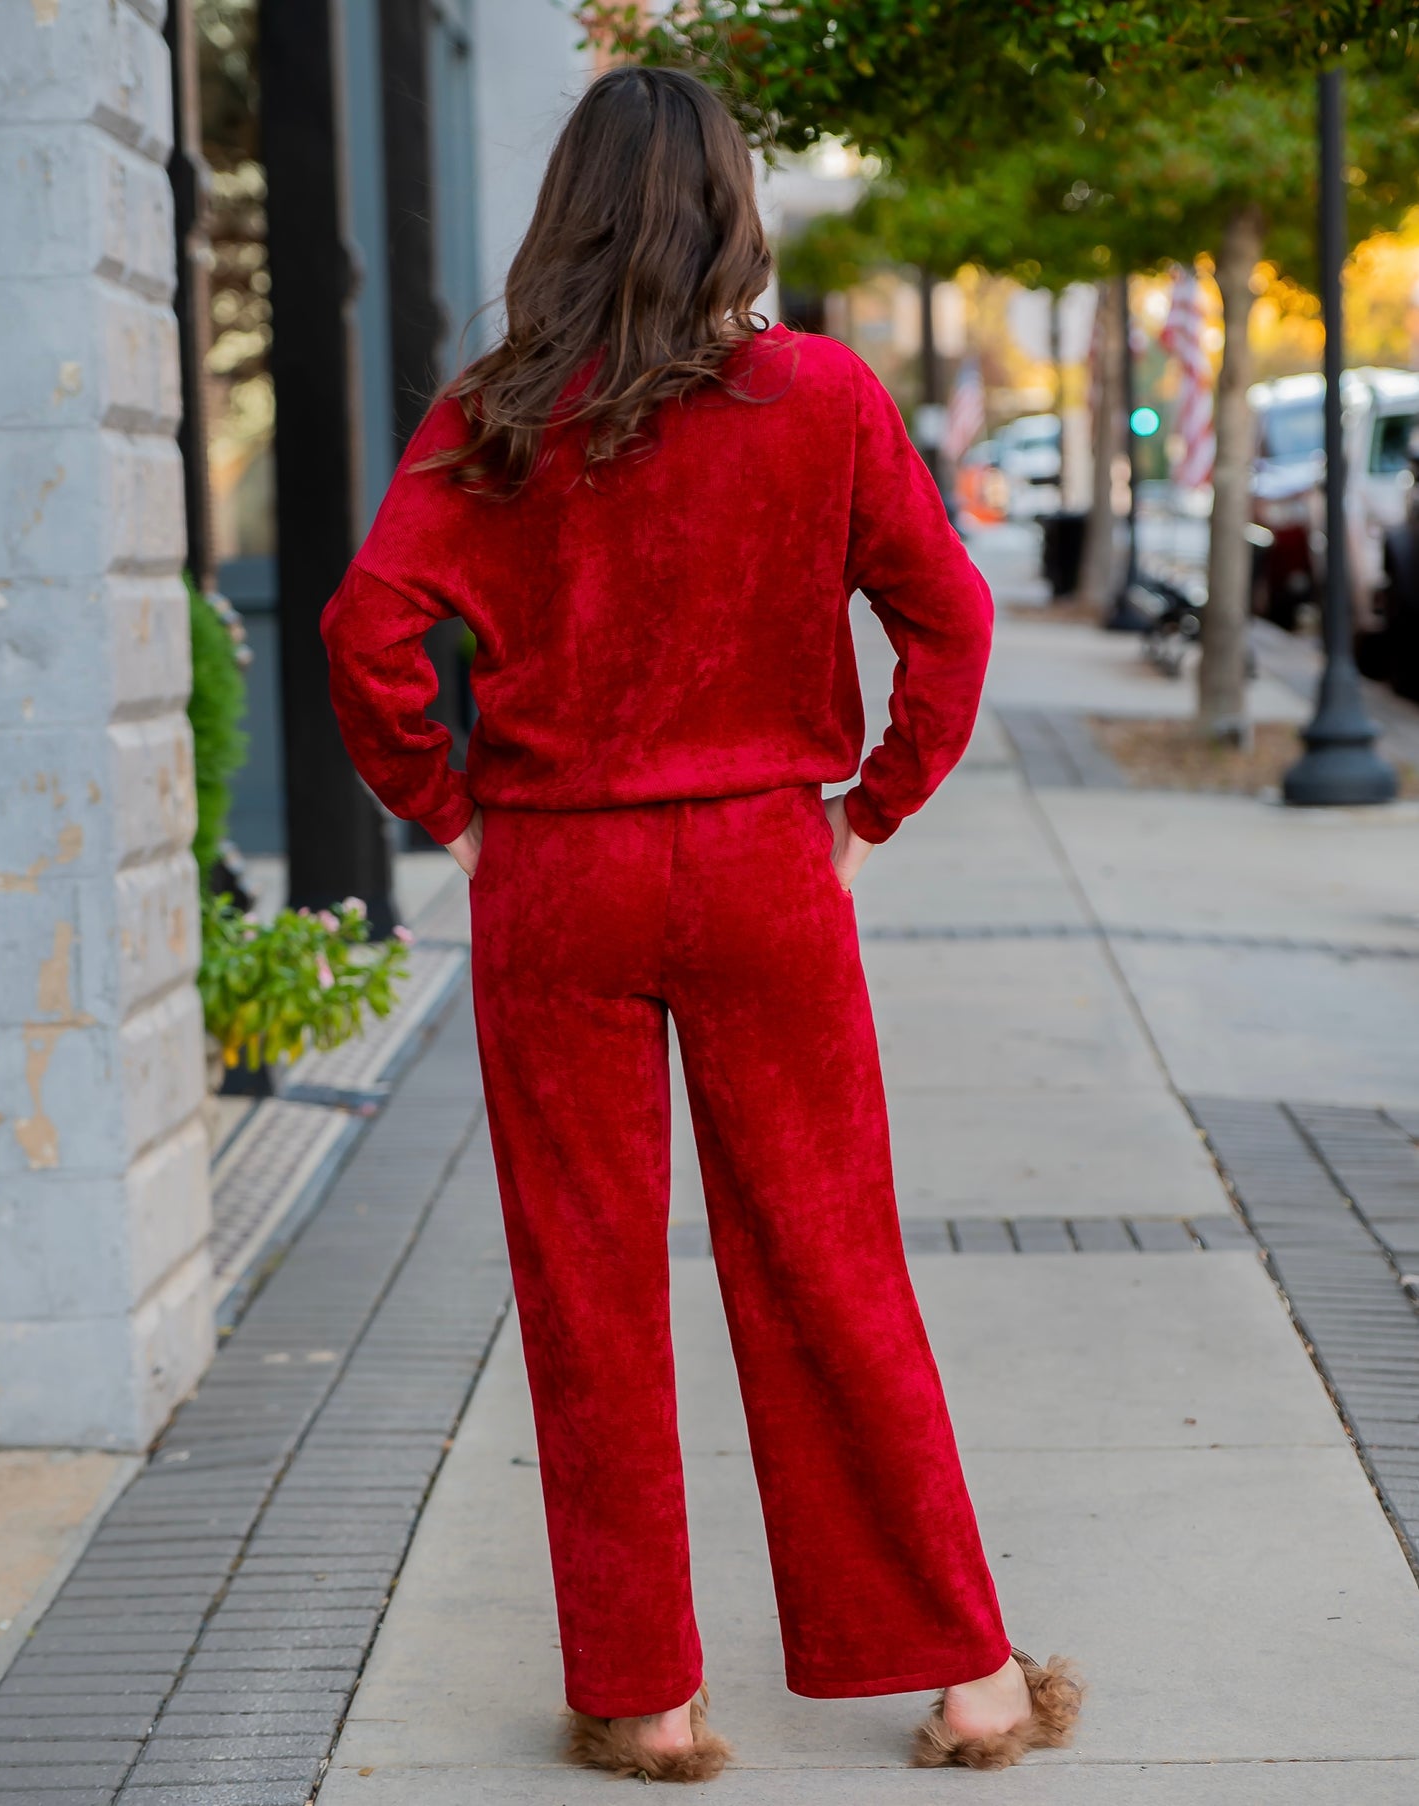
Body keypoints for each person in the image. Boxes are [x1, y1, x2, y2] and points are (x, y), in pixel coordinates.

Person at [321, 64, 1082, 1783]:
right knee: (829, 1262)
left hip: (559, 881)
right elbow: (946, 619)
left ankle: (649, 1700)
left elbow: (369, 624)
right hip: (760, 868)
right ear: (733, 207)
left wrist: (448, 809)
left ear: (567, 214)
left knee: (587, 1282)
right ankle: (962, 1676)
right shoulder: (819, 398)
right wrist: (868, 810)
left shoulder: (495, 411)